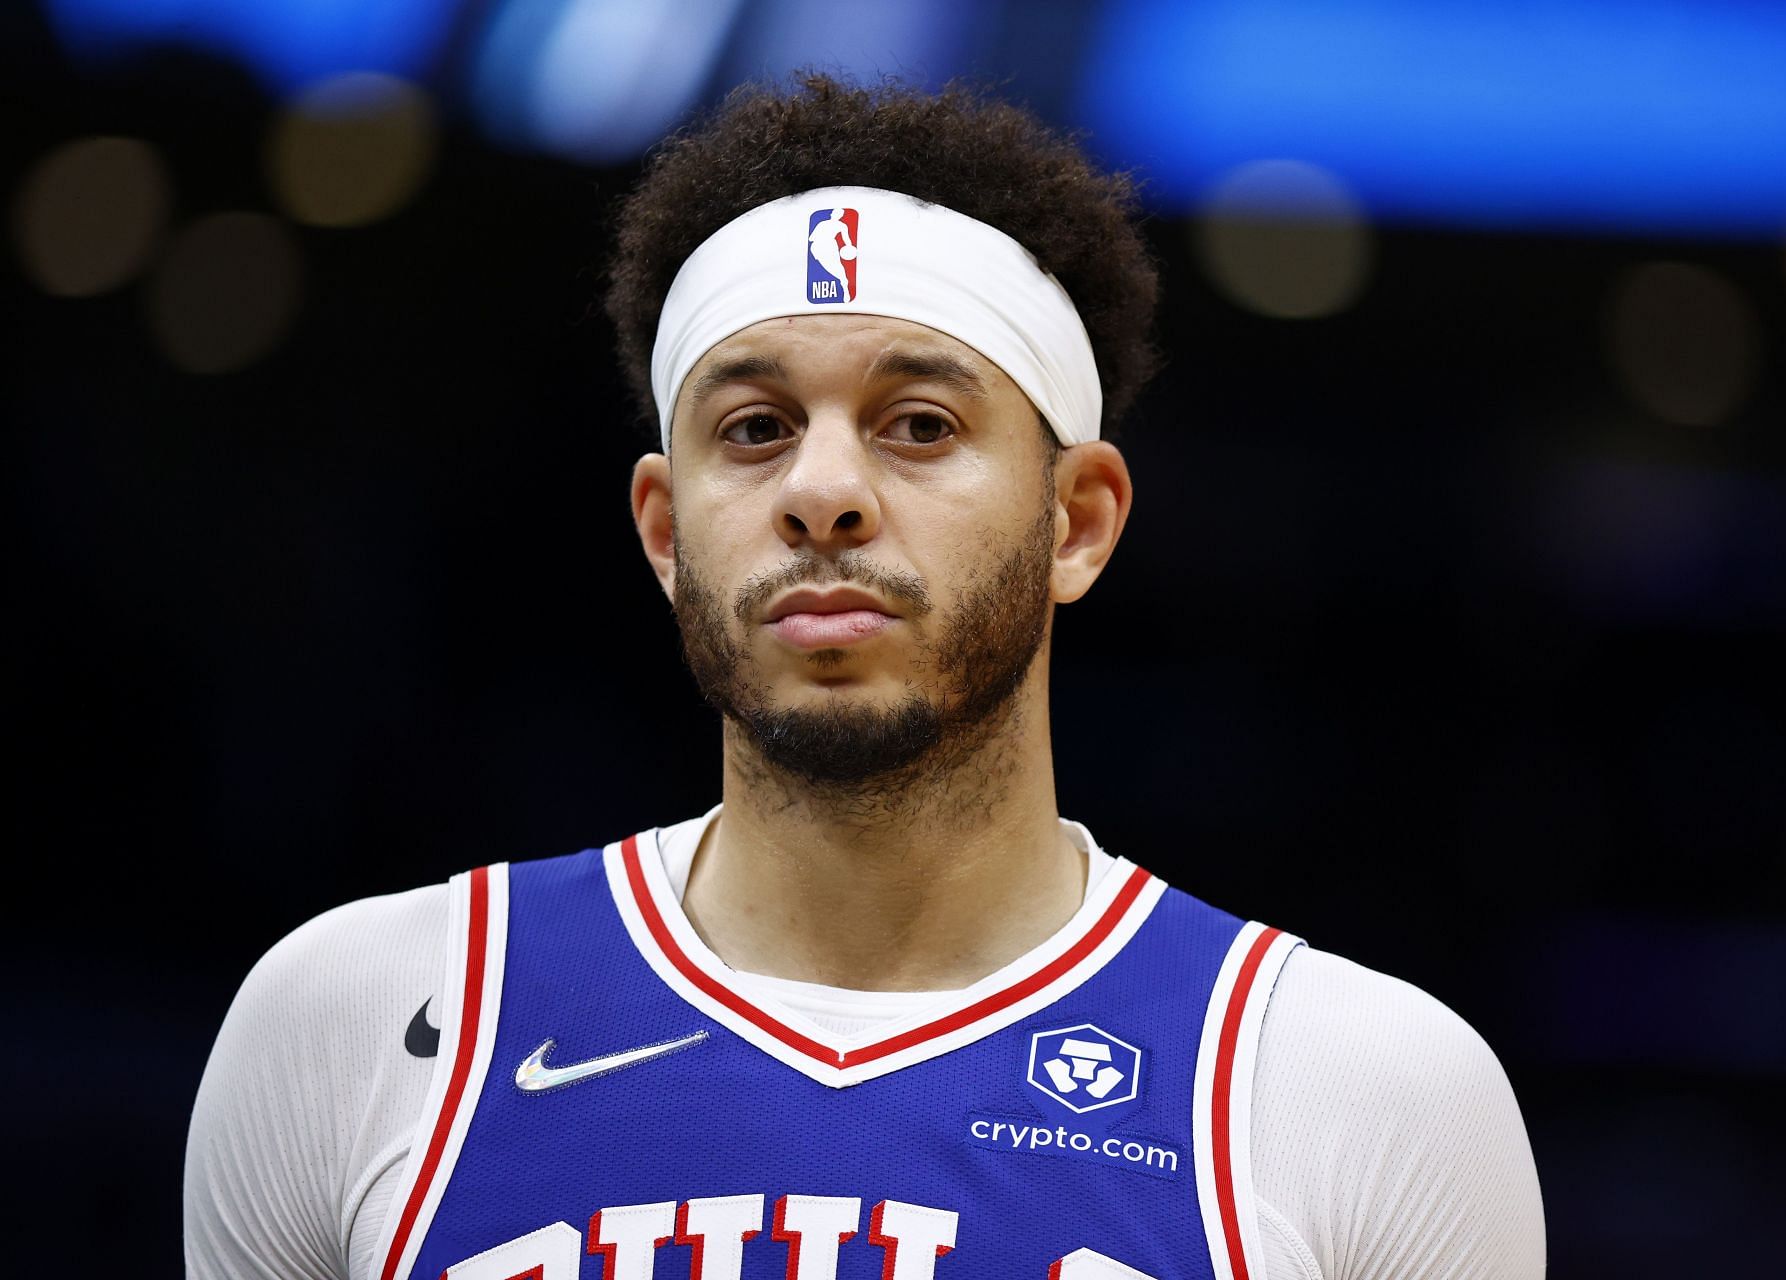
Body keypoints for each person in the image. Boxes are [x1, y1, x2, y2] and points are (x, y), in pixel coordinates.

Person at [185, 75, 1546, 1280]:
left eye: (919, 424)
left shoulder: (1353, 1091)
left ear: (1076, 521)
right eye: (758, 427)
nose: (824, 493)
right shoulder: (364, 1022)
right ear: (665, 531)